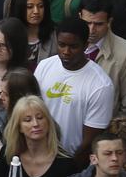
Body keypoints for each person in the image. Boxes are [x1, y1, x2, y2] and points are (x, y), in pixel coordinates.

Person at [33, 18, 115, 158]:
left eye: (73, 46)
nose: (66, 51)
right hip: (38, 153)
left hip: (70, 159)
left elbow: (90, 141)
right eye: (61, 45)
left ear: (85, 45)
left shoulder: (101, 85)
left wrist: (70, 167)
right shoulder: (44, 66)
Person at [79, 0, 126, 116]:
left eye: (98, 24)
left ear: (109, 22)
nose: (91, 30)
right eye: (87, 23)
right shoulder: (68, 45)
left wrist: (115, 132)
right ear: (79, 17)